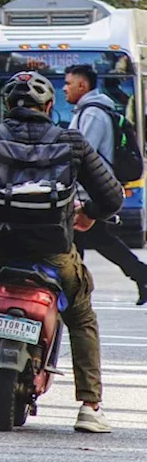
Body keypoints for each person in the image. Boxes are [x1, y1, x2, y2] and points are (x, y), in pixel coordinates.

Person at [0, 71, 120, 433]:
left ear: (8, 106)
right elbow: (112, 197)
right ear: (48, 106)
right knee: (81, 319)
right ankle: (90, 406)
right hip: (55, 255)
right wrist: (87, 215)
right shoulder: (72, 141)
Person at [64, 63, 147, 305]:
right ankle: (141, 275)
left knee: (79, 239)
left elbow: (80, 154)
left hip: (88, 191)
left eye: (69, 83)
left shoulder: (91, 114)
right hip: (88, 190)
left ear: (83, 85)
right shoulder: (87, 111)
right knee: (95, 239)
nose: (65, 89)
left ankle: (72, 295)